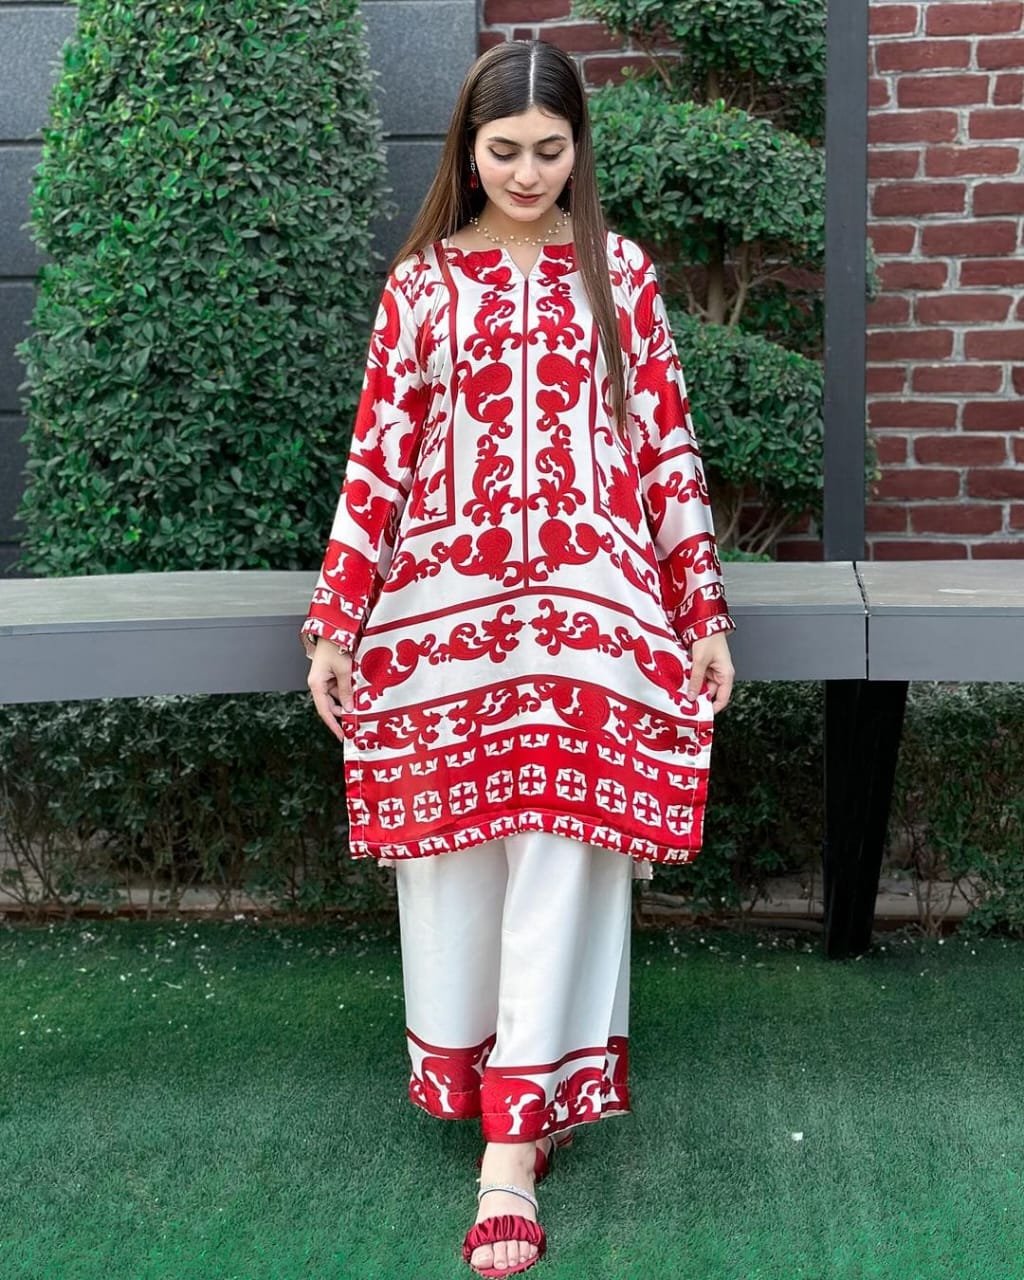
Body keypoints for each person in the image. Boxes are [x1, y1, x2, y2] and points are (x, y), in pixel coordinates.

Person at [302, 37, 736, 1278]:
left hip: (599, 613)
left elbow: (664, 451)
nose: (530, 171)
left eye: (552, 149)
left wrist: (702, 611)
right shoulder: (422, 285)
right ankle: (488, 1081)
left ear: (579, 148)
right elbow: (379, 456)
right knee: (451, 860)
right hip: (440, 616)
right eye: (506, 150)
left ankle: (513, 1145)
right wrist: (336, 621)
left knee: (565, 855)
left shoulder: (622, 275)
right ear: (467, 148)